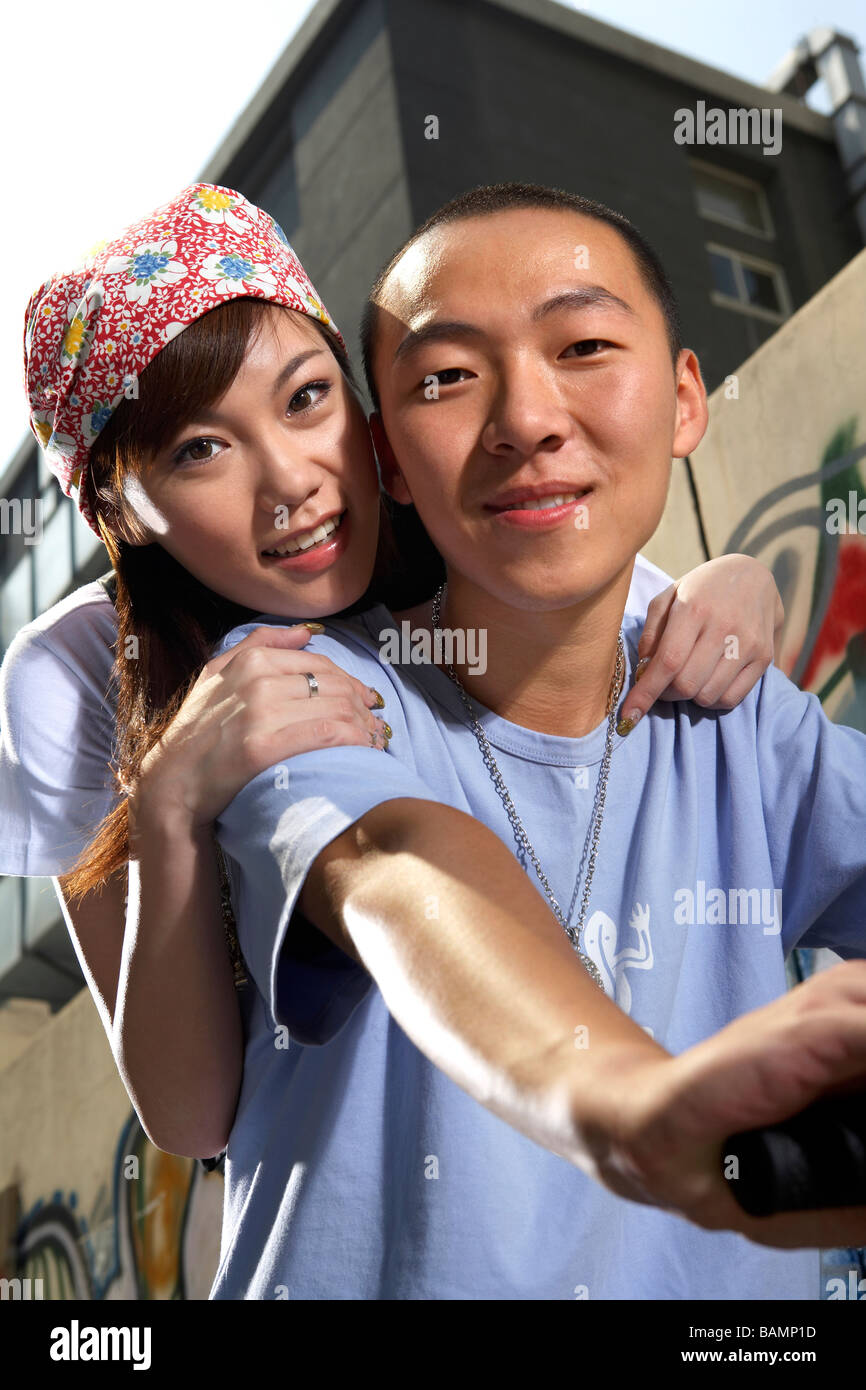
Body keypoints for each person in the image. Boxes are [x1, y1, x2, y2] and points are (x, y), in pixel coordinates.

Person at [1, 184, 784, 1177]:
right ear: (120, 509)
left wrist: (734, 584)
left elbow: (663, 621)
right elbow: (193, 1116)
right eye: (201, 449)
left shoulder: (474, 530)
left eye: (304, 397)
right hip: (325, 1184)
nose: (291, 480)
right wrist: (167, 811)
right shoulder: (76, 679)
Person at [192, 182, 865, 1301]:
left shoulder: (742, 715)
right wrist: (631, 1109)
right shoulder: (296, 685)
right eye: (447, 377)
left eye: (585, 343)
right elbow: (396, 870)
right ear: (387, 461)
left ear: (686, 400)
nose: (527, 419)